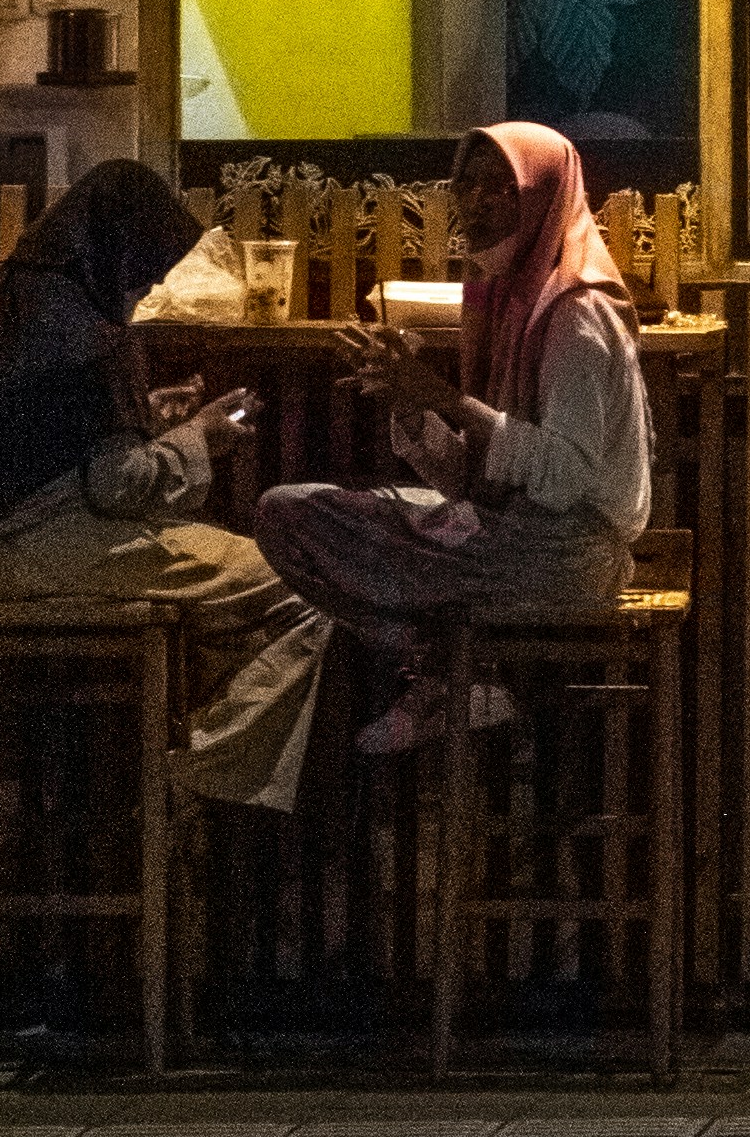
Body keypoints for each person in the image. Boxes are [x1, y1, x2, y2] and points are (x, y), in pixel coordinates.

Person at [0, 162, 326, 811]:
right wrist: (202, 434)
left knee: (234, 591)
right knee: (303, 583)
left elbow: (61, 444)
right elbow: (118, 487)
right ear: (118, 250)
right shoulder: (89, 334)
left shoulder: (20, 300)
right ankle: (203, 783)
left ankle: (194, 777)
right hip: (42, 548)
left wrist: (148, 418)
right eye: (148, 267)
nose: (149, 284)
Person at [253, 121, 653, 739]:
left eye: (501, 188)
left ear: (545, 197)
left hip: (565, 555)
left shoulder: (576, 314)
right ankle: (452, 669)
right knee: (287, 514)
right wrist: (412, 408)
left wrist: (442, 397)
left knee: (314, 522)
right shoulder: (502, 296)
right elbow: (471, 475)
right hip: (508, 534)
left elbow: (564, 479)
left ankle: (454, 673)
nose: (476, 204)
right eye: (466, 186)